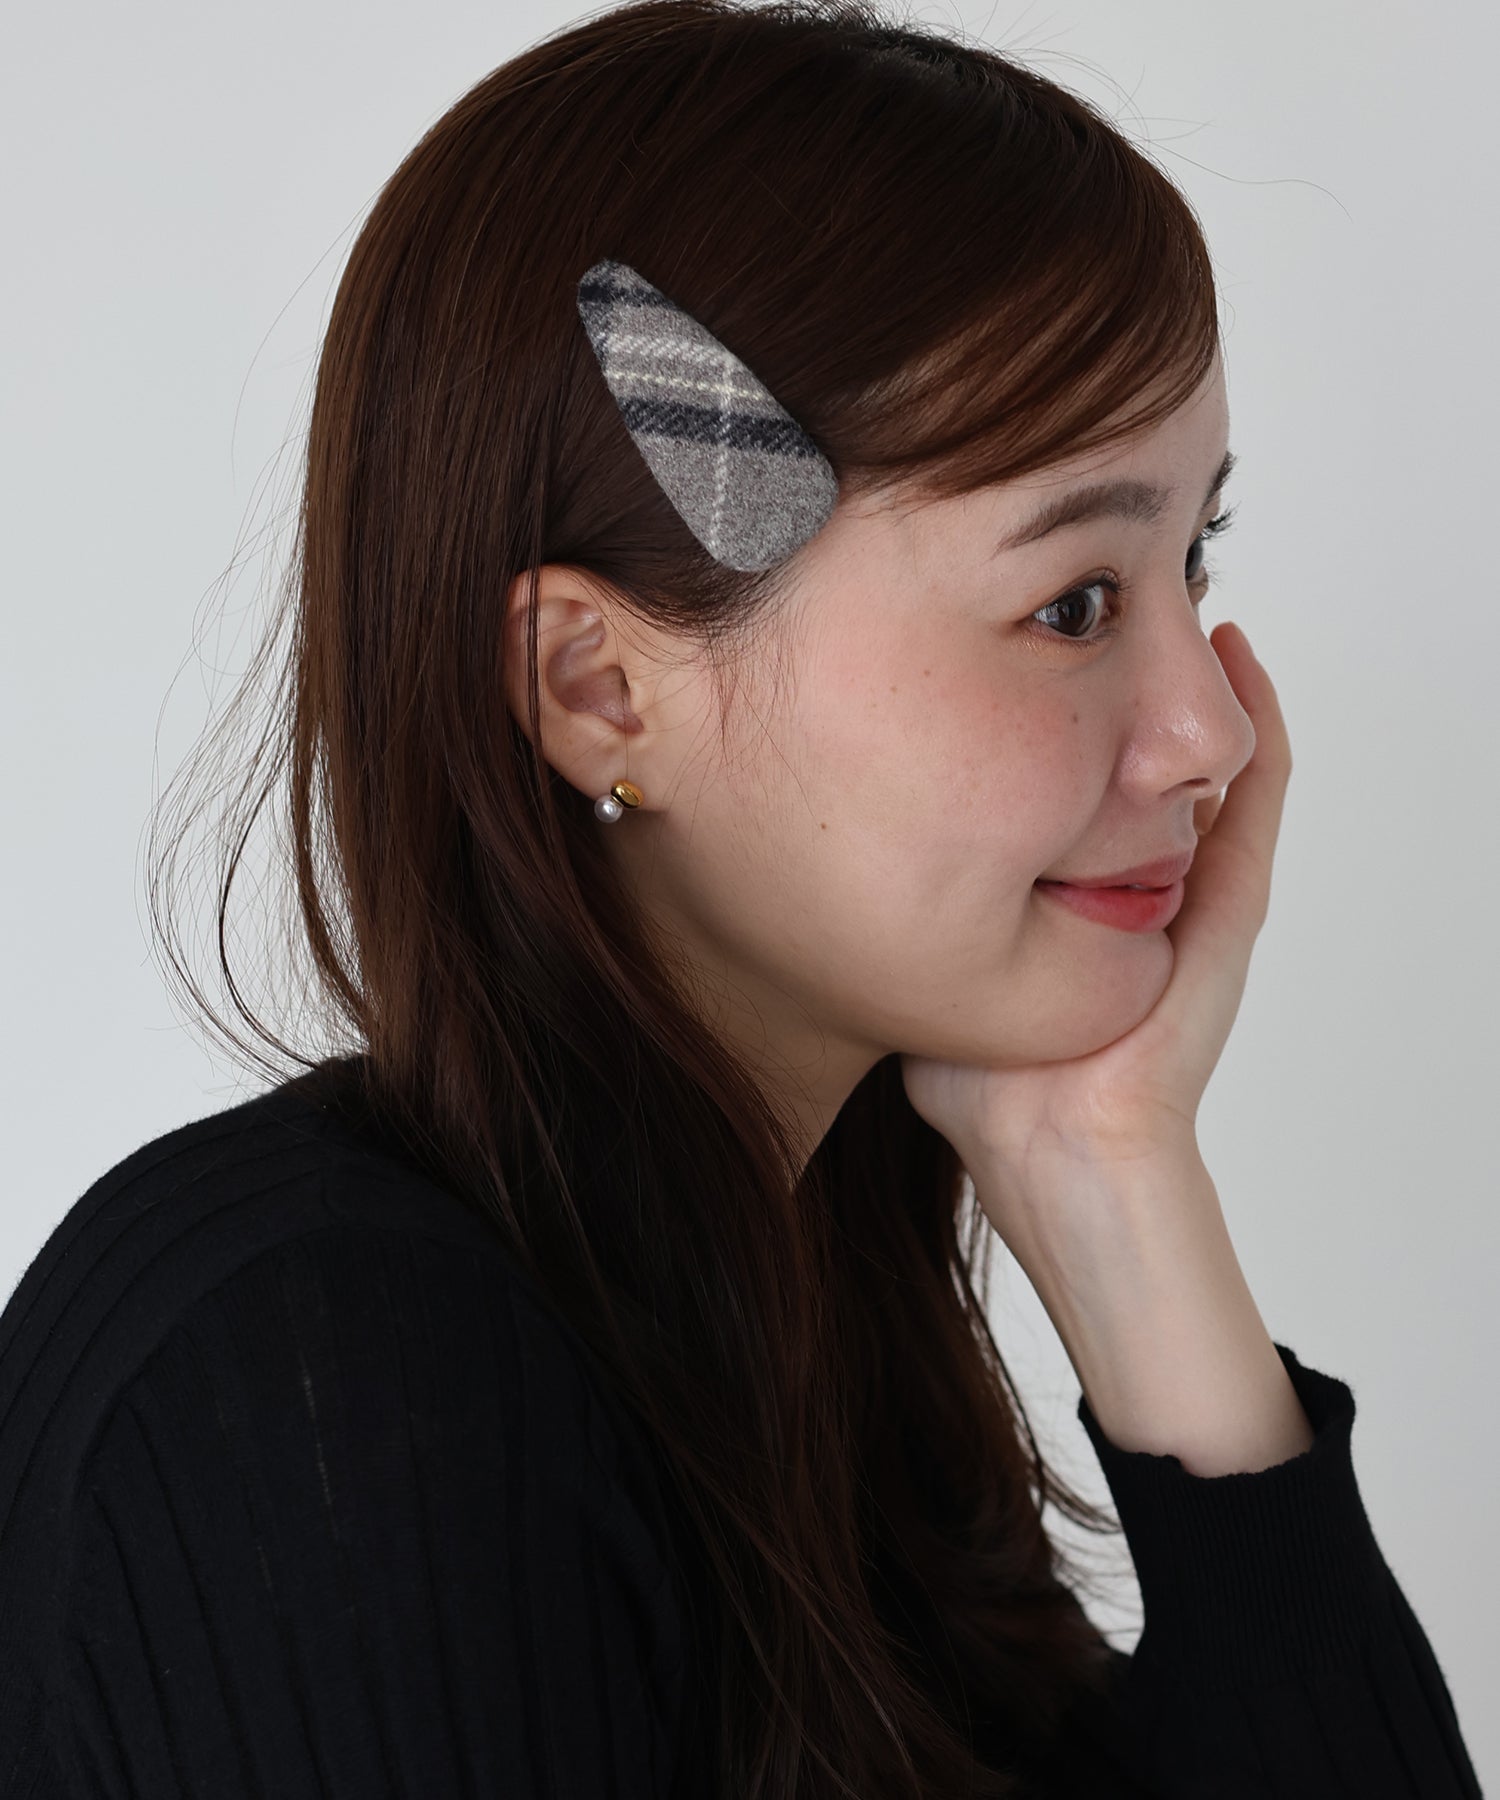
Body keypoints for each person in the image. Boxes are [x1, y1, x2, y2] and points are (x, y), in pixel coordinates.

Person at [0, 1, 1481, 1795]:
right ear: (601, 690)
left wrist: (1117, 1186)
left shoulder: (813, 1381)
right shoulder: (324, 1379)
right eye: (1075, 603)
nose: (1214, 731)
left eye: (1195, 560)